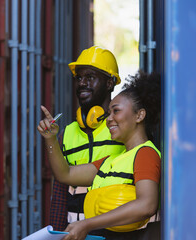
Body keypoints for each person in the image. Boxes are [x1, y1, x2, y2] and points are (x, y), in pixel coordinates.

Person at [38, 70, 161, 240]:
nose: (108, 119)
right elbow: (64, 174)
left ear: (139, 115)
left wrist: (87, 224)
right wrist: (50, 139)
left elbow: (146, 205)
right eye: (109, 113)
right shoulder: (111, 161)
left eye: (115, 111)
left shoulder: (145, 153)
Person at [49, 46, 125, 231]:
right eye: (79, 78)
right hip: (76, 233)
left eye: (90, 77)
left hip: (116, 232)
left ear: (109, 83)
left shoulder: (125, 128)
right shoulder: (66, 134)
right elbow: (60, 196)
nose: (82, 83)